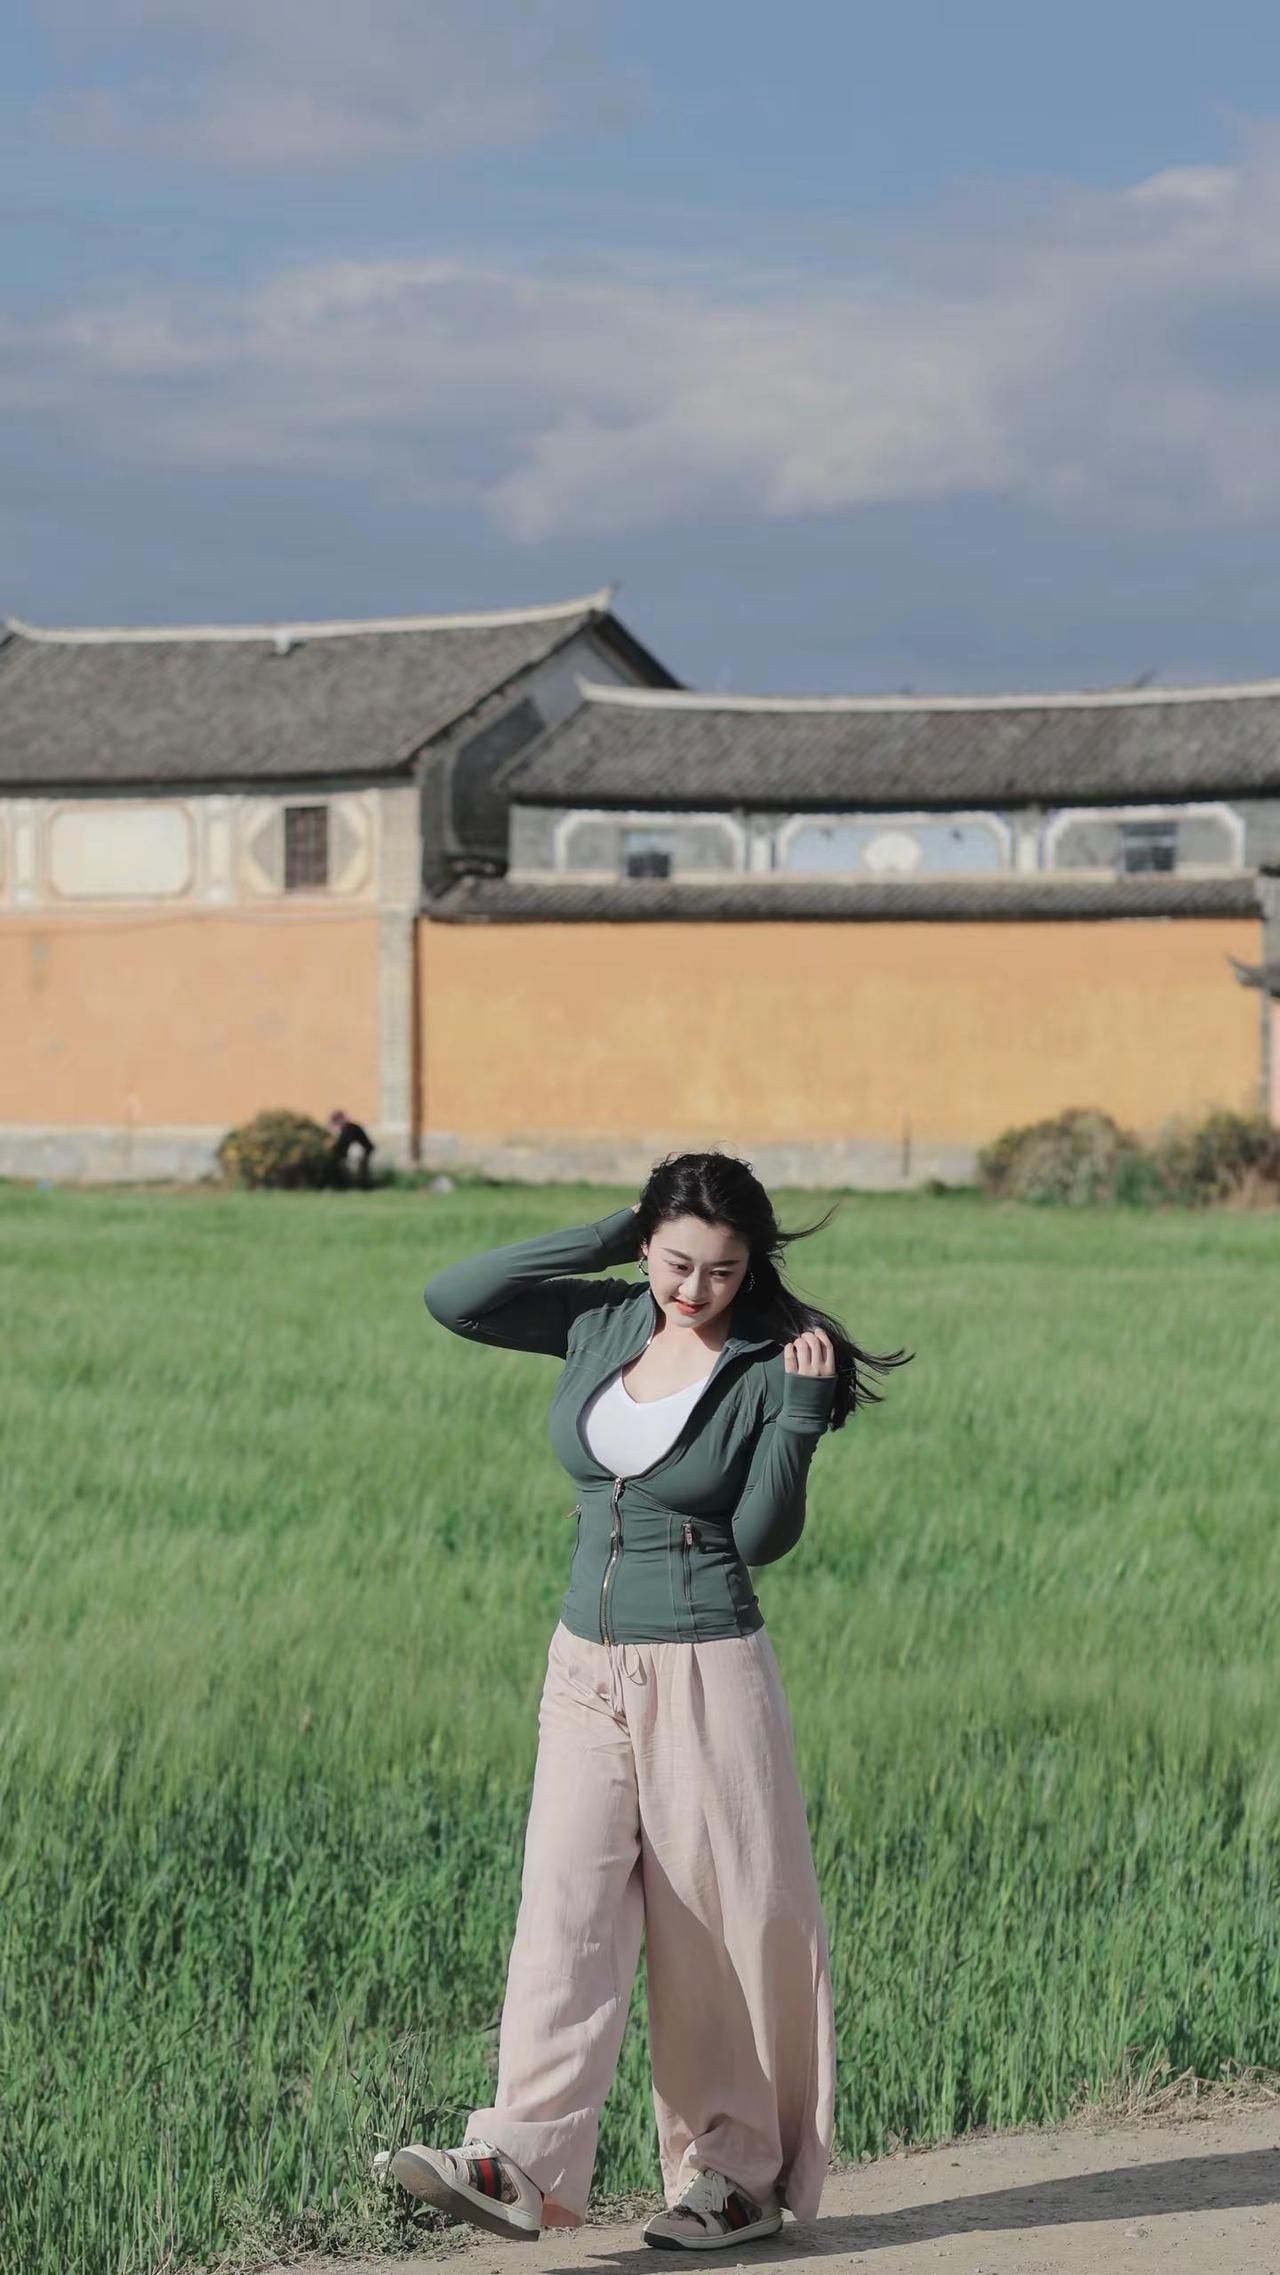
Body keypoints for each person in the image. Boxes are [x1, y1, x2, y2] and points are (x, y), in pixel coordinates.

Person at [383, 1149, 911, 2250]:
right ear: (645, 1246)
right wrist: (602, 1233)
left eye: (722, 1269)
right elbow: (454, 1297)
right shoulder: (604, 1322)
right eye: (675, 1262)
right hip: (582, 1663)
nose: (694, 1289)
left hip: (706, 1667)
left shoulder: (773, 1359)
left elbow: (759, 1537)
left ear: (751, 1264)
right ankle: (517, 2157)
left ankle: (734, 2176)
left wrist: (798, 1418)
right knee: (562, 1907)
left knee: (714, 1926)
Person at [328, 1107, 375, 1189]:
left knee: (360, 1170)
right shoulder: (347, 1128)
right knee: (360, 1170)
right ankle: (360, 1185)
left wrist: (334, 1147)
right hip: (361, 1151)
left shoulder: (350, 1128)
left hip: (362, 1150)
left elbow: (344, 1143)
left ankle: (361, 1185)